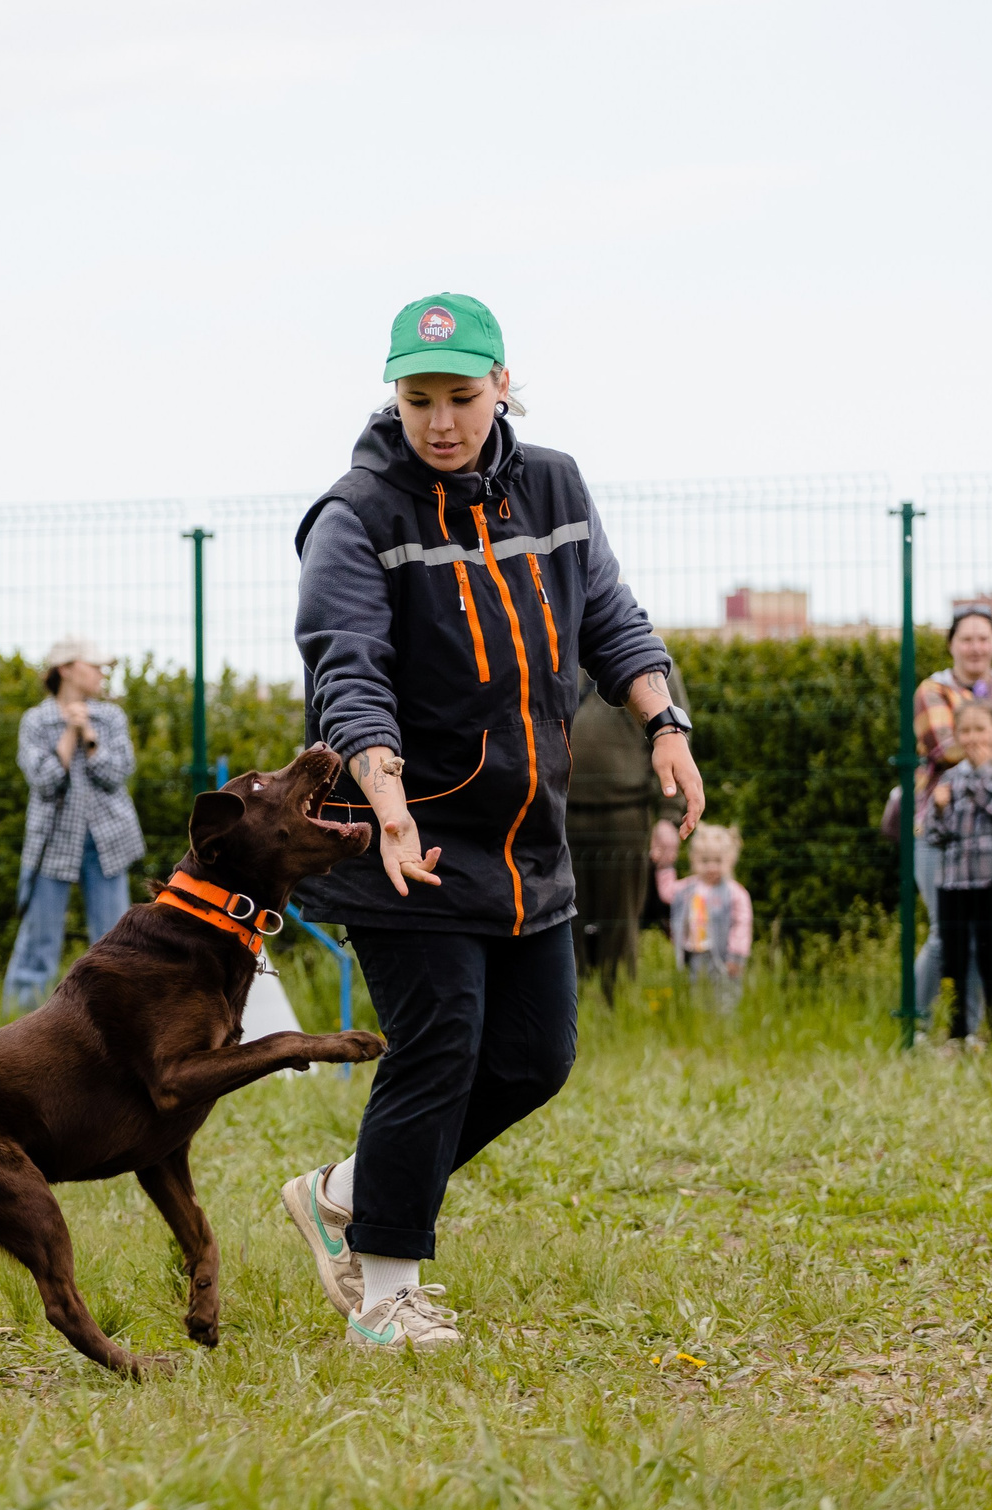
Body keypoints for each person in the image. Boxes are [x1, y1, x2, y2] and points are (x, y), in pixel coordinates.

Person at [280, 292, 703, 1352]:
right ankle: (385, 1298)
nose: (440, 421)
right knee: (439, 1046)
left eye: (462, 397)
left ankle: (343, 1192)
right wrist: (385, 808)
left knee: (533, 1056)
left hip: (525, 839)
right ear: (393, 395)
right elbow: (348, 671)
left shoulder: (553, 484)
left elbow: (606, 613)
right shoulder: (355, 514)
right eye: (419, 398)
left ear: (502, 385)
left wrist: (663, 722)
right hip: (406, 837)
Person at [910, 609, 992, 1031]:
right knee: (944, 935)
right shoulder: (932, 689)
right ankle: (915, 1022)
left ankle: (970, 1030)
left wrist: (976, 736)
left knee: (985, 935)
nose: (975, 647)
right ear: (951, 644)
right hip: (942, 832)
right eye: (966, 639)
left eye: (983, 638)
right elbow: (943, 748)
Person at [2, 635, 142, 1012]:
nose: (100, 673)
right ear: (65, 669)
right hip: (52, 843)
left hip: (108, 842)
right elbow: (44, 780)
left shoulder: (110, 718)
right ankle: (20, 1023)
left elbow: (118, 774)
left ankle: (118, 1018)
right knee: (39, 940)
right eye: (93, 666)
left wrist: (89, 736)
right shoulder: (36, 721)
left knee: (115, 940)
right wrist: (68, 733)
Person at [569, 666, 688, 1004]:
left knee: (620, 923)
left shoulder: (647, 663)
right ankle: (567, 1012)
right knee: (559, 923)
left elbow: (672, 738)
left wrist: (668, 817)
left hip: (625, 813)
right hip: (557, 811)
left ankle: (617, 1010)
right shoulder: (553, 650)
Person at [923, 698, 992, 1042]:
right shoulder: (949, 778)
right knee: (953, 957)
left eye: (980, 729)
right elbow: (935, 834)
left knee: (991, 954)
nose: (972, 738)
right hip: (952, 880)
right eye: (965, 730)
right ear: (956, 735)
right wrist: (939, 810)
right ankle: (957, 1031)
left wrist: (983, 773)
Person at [652, 822, 752, 1008]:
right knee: (696, 995)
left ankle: (724, 1023)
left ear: (730, 860)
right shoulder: (689, 888)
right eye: (705, 861)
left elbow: (742, 924)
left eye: (718, 861)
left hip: (723, 957)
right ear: (694, 859)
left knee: (724, 995)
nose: (711, 867)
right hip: (694, 954)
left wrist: (736, 956)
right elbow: (667, 892)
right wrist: (665, 865)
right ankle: (699, 1020)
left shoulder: (735, 893)